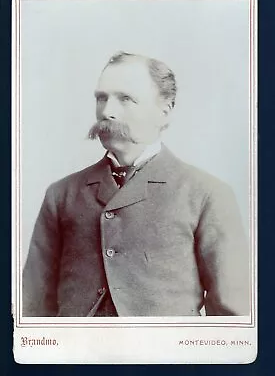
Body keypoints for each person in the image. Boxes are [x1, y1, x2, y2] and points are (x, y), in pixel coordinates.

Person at [23, 51, 249, 317]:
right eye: (101, 98)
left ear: (164, 111)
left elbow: (233, 315)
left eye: (126, 99)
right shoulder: (61, 194)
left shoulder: (206, 194)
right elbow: (33, 305)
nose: (107, 111)